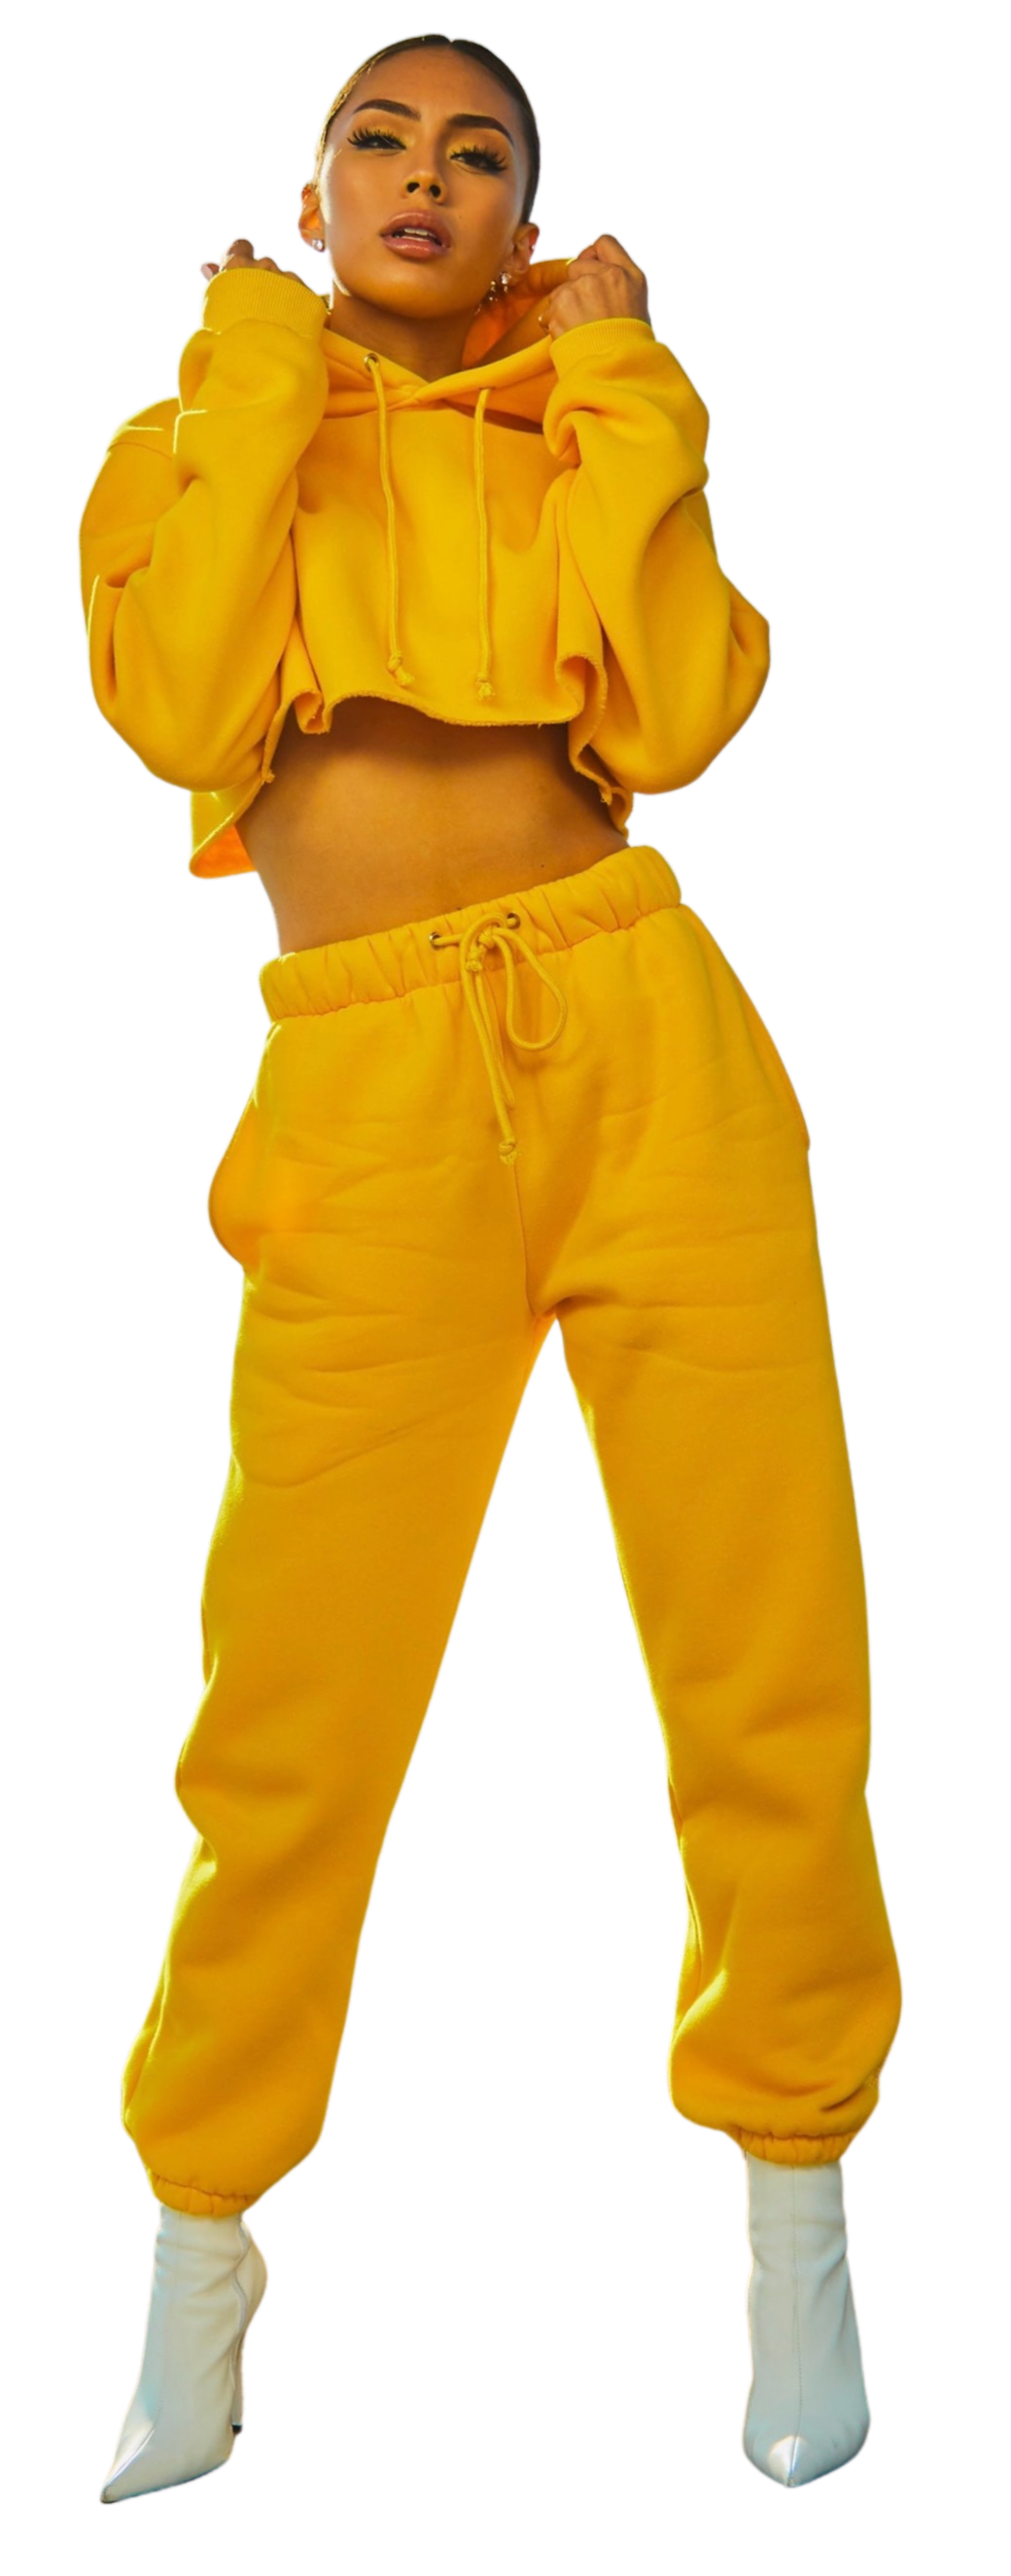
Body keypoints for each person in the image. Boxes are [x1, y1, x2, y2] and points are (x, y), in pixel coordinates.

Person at [80, 31, 904, 2506]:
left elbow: (685, 708)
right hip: (365, 1099)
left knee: (769, 1655)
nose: (423, 178)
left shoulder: (577, 422)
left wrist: (630, 389)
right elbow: (177, 707)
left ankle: (794, 2214)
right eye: (380, 142)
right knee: (292, 1710)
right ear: (312, 190)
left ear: (528, 229)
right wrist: (253, 360)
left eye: (477, 157)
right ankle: (200, 2252)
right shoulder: (181, 441)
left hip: (645, 1032)